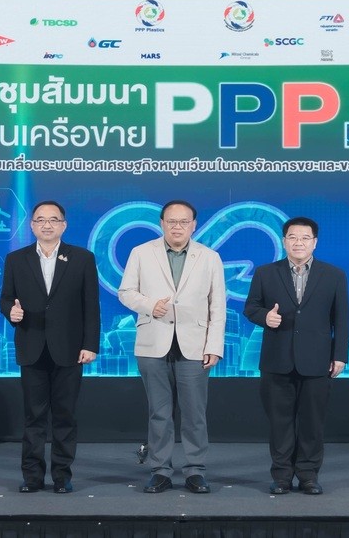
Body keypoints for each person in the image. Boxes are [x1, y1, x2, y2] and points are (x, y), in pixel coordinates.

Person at [118, 200, 226, 494]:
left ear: (194, 225)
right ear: (162, 223)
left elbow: (217, 305)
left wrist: (214, 345)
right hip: (153, 342)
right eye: (172, 221)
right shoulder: (141, 252)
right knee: (159, 413)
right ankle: (160, 470)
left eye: (184, 222)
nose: (177, 227)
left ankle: (195, 470)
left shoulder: (210, 257)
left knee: (194, 414)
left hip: (195, 344)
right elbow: (126, 292)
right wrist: (150, 305)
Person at [0, 200, 100, 494]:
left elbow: (91, 306)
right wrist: (10, 311)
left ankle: (62, 477)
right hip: (31, 346)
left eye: (53, 219)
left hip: (70, 348)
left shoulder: (82, 258)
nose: (47, 224)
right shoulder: (16, 259)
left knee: (65, 416)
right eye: (40, 219)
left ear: (63, 225)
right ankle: (32, 476)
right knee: (34, 417)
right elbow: (6, 298)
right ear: (32, 225)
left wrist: (90, 344)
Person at [243, 216, 349, 495]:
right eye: (292, 237)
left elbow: (342, 318)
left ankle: (308, 475)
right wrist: (265, 317)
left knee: (312, 423)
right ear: (284, 241)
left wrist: (340, 355)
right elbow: (251, 307)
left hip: (317, 360)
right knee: (280, 422)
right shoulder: (266, 273)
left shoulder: (334, 275)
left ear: (315, 242)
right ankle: (281, 476)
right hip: (277, 359)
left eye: (304, 238)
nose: (298, 242)